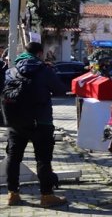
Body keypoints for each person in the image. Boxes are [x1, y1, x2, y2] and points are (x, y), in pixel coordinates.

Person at [5, 42, 69, 207]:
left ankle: (13, 194)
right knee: (43, 159)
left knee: (13, 158)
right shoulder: (44, 70)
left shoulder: (11, 70)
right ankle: (46, 196)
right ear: (40, 54)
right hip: (42, 121)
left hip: (16, 122)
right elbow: (61, 90)